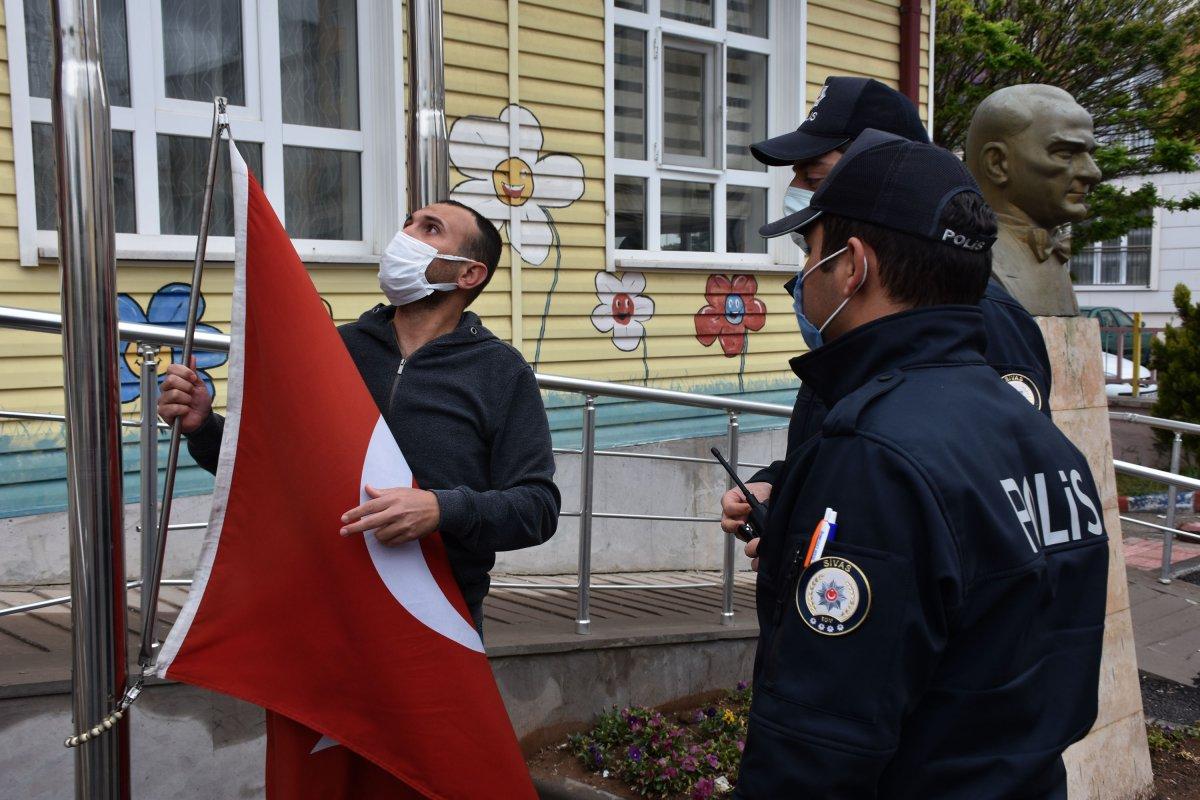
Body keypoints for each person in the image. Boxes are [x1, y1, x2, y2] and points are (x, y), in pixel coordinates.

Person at [731, 130, 1108, 798]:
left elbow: (818, 744)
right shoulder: (1044, 442)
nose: (802, 274)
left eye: (810, 251)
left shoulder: (876, 455)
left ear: (853, 266)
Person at [158, 199, 562, 634]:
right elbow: (270, 464)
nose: (405, 236)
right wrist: (203, 427)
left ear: (469, 274)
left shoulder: (502, 373)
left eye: (430, 229)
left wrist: (441, 508)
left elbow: (537, 508)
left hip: (437, 620)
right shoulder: (334, 349)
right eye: (407, 223)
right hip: (320, 608)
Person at [724, 76, 1054, 570]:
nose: (796, 193)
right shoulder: (860, 315)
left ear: (886, 171)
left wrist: (829, 555)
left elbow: (998, 503)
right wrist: (784, 487)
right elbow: (853, 448)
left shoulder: (984, 315)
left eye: (814, 177)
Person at [965, 83, 1103, 316]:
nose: (1093, 172)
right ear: (997, 163)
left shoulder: (1053, 255)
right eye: (1065, 154)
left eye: (1089, 155)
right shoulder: (975, 263)